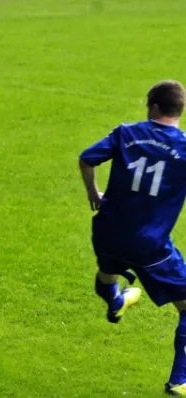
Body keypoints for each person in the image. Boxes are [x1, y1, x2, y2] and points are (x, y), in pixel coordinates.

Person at [79, 80, 186, 395]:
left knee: (107, 272)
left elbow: (86, 158)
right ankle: (180, 380)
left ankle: (116, 302)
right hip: (149, 245)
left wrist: (93, 194)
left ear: (153, 106)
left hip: (108, 230)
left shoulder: (126, 132)